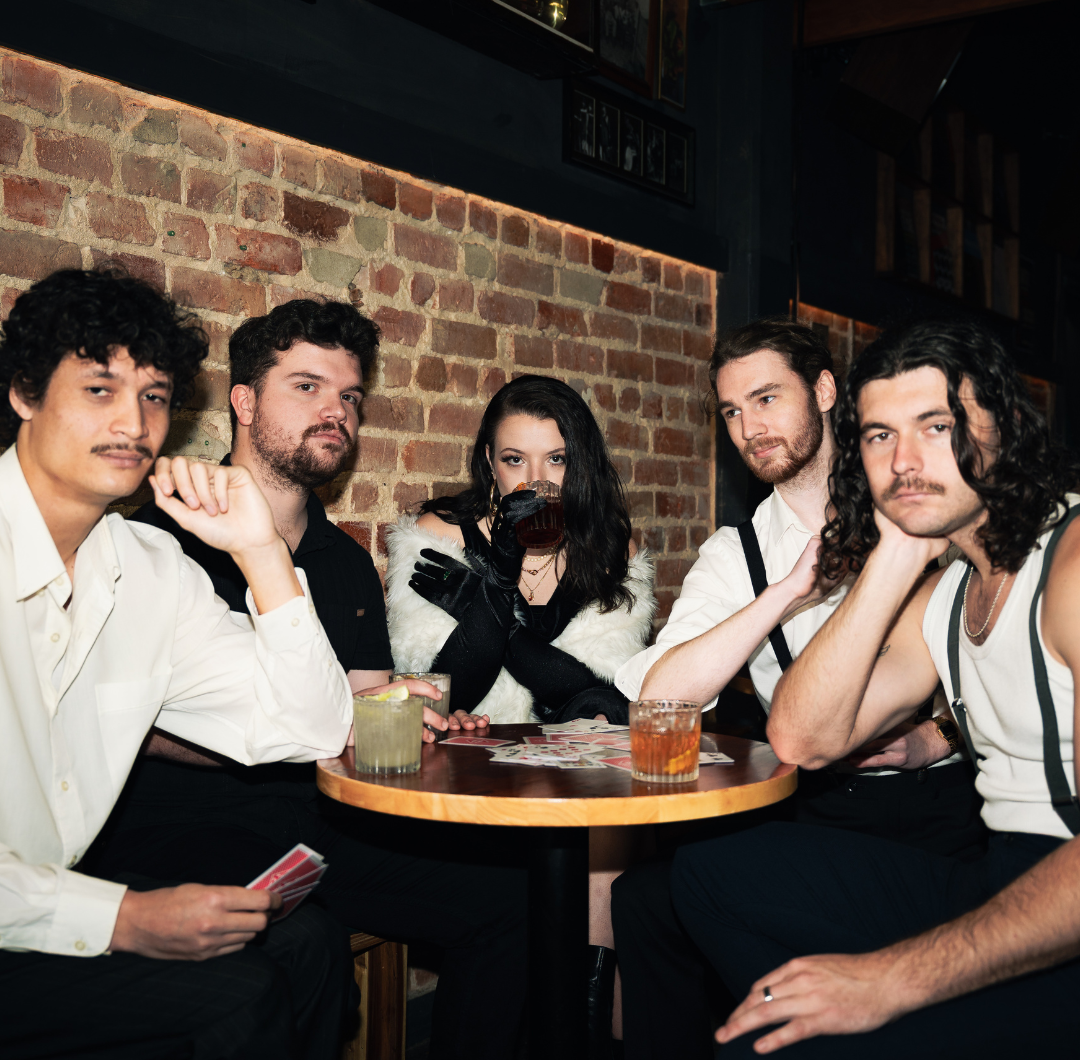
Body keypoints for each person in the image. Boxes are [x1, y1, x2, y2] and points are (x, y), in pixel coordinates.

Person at [92, 298, 528, 1060]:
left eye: (349, 397)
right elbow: (134, 720)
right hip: (179, 827)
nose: (336, 411)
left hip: (322, 822)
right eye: (308, 387)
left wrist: (413, 718)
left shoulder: (346, 561)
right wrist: (315, 728)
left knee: (511, 899)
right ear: (244, 401)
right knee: (304, 943)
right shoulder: (157, 537)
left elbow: (359, 709)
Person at [672, 319, 1080, 1058]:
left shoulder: (1072, 565)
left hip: (1067, 901)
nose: (905, 461)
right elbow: (803, 736)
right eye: (879, 436)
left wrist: (889, 981)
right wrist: (897, 547)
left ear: (1006, 427)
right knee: (708, 875)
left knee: (773, 1045)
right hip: (1002, 876)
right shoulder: (950, 587)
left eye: (935, 425)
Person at [0, 268, 356, 1060]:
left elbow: (312, 726)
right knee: (240, 995)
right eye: (100, 388)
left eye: (154, 395)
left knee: (309, 946)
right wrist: (123, 918)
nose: (133, 421)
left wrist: (262, 550)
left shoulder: (151, 567)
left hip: (53, 905)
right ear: (26, 393)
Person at [610, 318, 985, 1060]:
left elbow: (1001, 671)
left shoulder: (921, 499)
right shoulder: (737, 552)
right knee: (645, 898)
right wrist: (786, 592)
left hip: (943, 801)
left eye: (766, 398)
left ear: (822, 391)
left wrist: (932, 740)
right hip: (813, 801)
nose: (750, 428)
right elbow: (656, 698)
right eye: (731, 412)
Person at [384, 373, 656, 1055]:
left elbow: (599, 696)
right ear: (488, 463)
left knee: (607, 849)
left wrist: (486, 604)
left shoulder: (610, 548)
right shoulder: (438, 535)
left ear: (580, 463)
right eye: (515, 460)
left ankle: (584, 1039)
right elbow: (444, 689)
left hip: (575, 780)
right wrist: (501, 571)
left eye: (555, 459)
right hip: (466, 779)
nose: (537, 480)